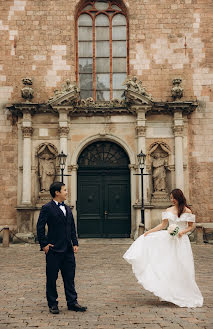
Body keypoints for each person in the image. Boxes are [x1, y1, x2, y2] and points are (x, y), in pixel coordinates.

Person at [123, 189, 203, 308]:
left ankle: (182, 291)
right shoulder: (168, 210)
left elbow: (190, 227)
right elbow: (163, 225)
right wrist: (149, 232)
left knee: (181, 266)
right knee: (167, 265)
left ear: (179, 198)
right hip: (169, 241)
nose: (172, 200)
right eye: (170, 198)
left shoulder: (187, 211)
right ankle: (166, 292)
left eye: (173, 198)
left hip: (181, 242)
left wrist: (182, 232)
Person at [37, 181, 87, 314]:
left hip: (68, 250)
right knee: (52, 278)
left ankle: (72, 302)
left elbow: (71, 227)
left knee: (69, 277)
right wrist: (44, 245)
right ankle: (53, 303)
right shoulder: (47, 208)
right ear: (57, 192)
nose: (66, 192)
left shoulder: (68, 208)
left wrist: (75, 243)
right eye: (64, 190)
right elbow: (40, 227)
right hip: (53, 249)